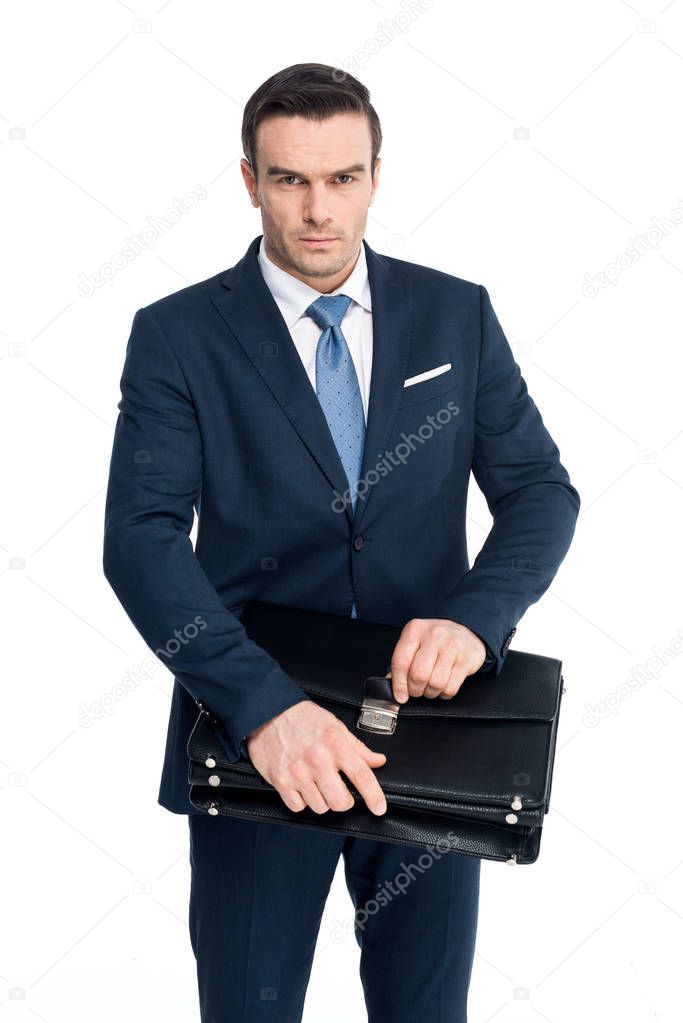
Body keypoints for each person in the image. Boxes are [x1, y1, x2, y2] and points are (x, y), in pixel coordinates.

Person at [103, 61, 580, 1023]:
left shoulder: (457, 314)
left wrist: (476, 618)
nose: (318, 210)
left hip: (435, 737)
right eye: (289, 180)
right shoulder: (178, 336)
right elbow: (140, 541)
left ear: (374, 173)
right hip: (256, 745)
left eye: (342, 178)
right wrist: (263, 708)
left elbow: (538, 490)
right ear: (249, 179)